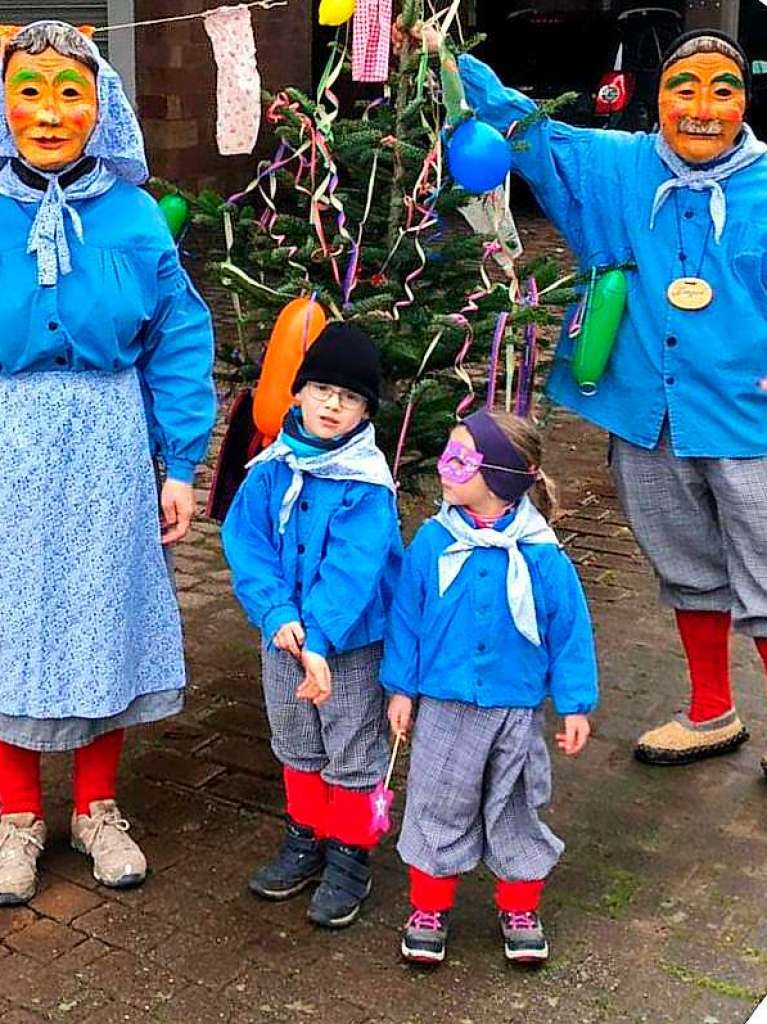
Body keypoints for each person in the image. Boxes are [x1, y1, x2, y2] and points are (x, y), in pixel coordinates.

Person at [393, 20, 767, 769]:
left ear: (744, 103)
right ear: (657, 101)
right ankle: (708, 711)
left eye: (720, 91)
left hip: (745, 418)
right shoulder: (613, 165)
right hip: (643, 412)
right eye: (681, 89)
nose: (700, 107)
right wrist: (442, 55)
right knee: (686, 567)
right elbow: (521, 129)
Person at [0, 21, 216, 906]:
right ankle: (14, 817)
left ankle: (96, 807)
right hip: (7, 435)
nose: (49, 112)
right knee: (9, 620)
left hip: (106, 440)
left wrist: (179, 464)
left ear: (100, 106)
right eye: (30, 90)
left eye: (69, 92)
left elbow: (179, 340)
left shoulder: (132, 215)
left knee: (106, 612)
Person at [382, 410, 598, 965]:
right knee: (437, 804)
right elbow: (407, 617)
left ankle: (520, 907)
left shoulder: (542, 554)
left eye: (461, 460)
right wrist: (401, 688)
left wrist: (574, 703)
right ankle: (429, 907)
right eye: (447, 456)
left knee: (517, 806)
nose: (445, 469)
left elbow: (569, 629)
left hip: (516, 709)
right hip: (445, 707)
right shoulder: (432, 541)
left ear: (501, 477)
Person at [222, 323, 403, 929]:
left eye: (348, 397)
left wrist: (320, 638)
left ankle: (351, 851)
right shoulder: (272, 466)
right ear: (297, 393)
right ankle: (307, 835)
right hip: (285, 637)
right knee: (296, 735)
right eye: (322, 389)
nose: (331, 405)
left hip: (347, 643)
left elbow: (353, 569)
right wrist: (276, 613)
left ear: (365, 410)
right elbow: (247, 543)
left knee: (352, 744)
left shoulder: (366, 483)